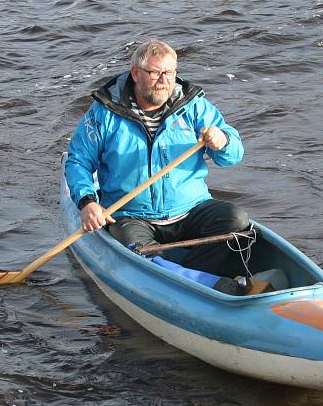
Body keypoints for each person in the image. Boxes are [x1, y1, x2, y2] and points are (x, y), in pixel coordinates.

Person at [64, 39, 249, 280]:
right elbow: (78, 161)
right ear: (135, 73)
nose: (163, 80)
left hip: (190, 209)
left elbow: (232, 156)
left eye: (169, 72)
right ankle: (205, 280)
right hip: (132, 215)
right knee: (135, 249)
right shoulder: (104, 113)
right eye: (154, 73)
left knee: (236, 220)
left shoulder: (194, 107)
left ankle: (186, 275)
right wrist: (87, 203)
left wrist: (223, 140)